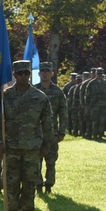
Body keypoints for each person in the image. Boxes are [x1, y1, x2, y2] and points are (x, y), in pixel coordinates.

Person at [0, 60, 54, 211]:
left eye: (26, 73)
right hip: (10, 147)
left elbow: (47, 123)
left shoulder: (40, 97)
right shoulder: (5, 96)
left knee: (29, 183)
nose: (24, 76)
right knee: (11, 183)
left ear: (30, 74)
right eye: (20, 73)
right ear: (14, 75)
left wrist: (47, 144)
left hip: (32, 147)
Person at [35, 62, 67, 192]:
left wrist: (62, 132)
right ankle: (38, 185)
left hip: (52, 132)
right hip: (36, 132)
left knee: (51, 160)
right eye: (43, 71)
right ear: (39, 74)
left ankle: (49, 184)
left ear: (52, 74)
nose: (45, 74)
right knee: (36, 160)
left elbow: (63, 112)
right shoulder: (34, 90)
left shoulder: (58, 91)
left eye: (47, 71)